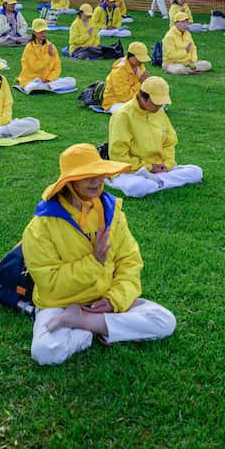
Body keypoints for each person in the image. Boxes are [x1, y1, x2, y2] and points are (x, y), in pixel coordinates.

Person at [22, 143, 177, 365]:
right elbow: (50, 283)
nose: (96, 181)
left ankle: (85, 323)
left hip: (105, 297)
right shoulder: (41, 226)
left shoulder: (112, 212)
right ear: (69, 182)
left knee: (165, 321)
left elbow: (129, 262)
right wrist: (95, 262)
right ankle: (101, 327)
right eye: (87, 176)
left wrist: (114, 300)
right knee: (45, 352)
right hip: (61, 303)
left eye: (99, 174)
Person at [106, 77, 203, 197]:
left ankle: (156, 182)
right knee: (136, 187)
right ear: (142, 97)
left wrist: (167, 164)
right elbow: (119, 156)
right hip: (132, 171)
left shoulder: (159, 111)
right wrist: (148, 167)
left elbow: (169, 142)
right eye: (156, 102)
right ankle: (156, 182)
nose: (160, 106)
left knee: (196, 171)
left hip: (158, 169)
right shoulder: (123, 115)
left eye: (162, 102)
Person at [18, 19, 76, 93]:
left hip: (48, 81)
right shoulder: (29, 48)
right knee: (31, 87)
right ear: (34, 32)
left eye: (44, 31)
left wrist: (49, 79)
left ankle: (46, 87)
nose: (43, 34)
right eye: (40, 31)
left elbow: (57, 67)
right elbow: (35, 67)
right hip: (31, 80)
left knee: (72, 81)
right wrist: (49, 56)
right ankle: (44, 87)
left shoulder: (51, 46)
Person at [102, 42, 151, 113]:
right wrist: (141, 83)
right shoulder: (119, 72)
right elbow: (124, 97)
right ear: (130, 56)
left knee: (157, 102)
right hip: (115, 102)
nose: (141, 61)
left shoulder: (139, 66)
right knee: (131, 111)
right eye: (139, 59)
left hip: (134, 99)